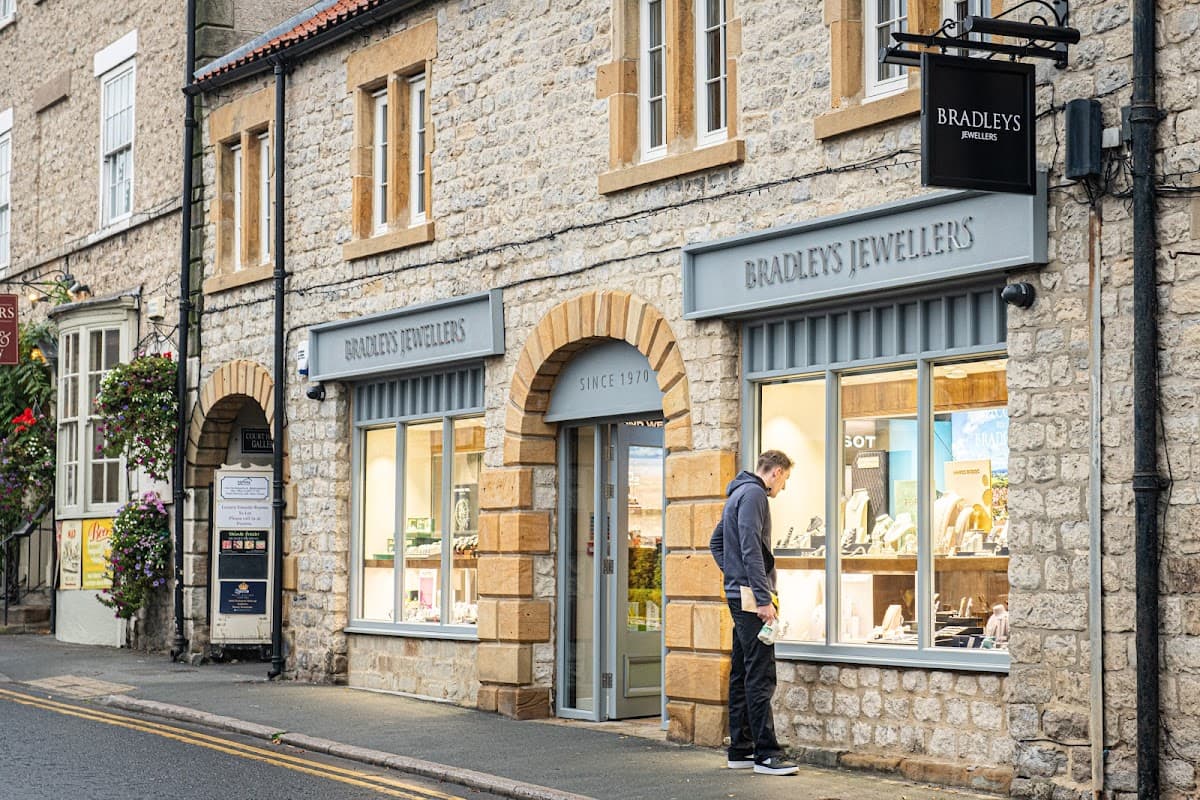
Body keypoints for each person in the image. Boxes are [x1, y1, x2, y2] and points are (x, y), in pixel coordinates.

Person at [709, 450, 798, 776]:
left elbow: (715, 543)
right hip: (751, 598)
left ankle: (741, 748)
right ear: (775, 472)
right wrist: (763, 599)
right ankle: (767, 754)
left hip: (740, 593)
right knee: (761, 674)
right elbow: (749, 545)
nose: (783, 488)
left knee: (742, 671)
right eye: (784, 479)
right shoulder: (755, 495)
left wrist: (732, 574)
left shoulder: (737, 494)